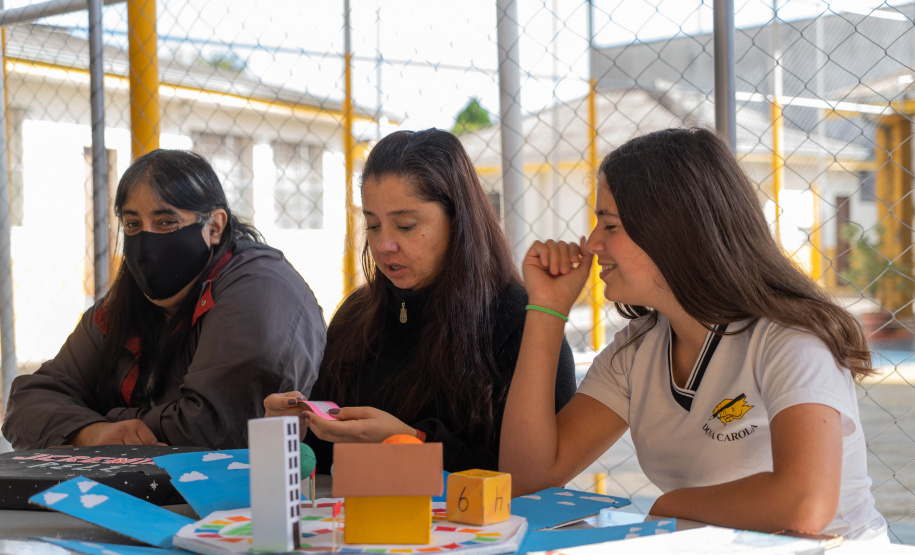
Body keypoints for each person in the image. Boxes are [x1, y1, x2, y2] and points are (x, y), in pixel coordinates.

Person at [500, 127, 887, 541]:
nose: (592, 243)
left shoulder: (788, 341)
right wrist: (547, 310)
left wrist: (670, 506)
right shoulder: (636, 350)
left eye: (609, 225)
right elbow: (526, 481)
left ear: (672, 231)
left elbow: (804, 504)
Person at [265, 128, 577, 472]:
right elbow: (326, 466)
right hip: (358, 521)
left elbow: (533, 479)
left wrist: (413, 442)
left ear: (458, 221)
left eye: (406, 225)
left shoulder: (519, 321)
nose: (384, 245)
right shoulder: (357, 315)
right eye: (372, 226)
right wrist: (294, 433)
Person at [2, 149, 326, 450]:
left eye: (166, 222)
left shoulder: (260, 289)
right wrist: (92, 433)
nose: (146, 241)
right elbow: (28, 402)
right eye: (132, 224)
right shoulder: (128, 301)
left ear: (214, 226)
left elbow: (211, 429)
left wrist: (108, 419)